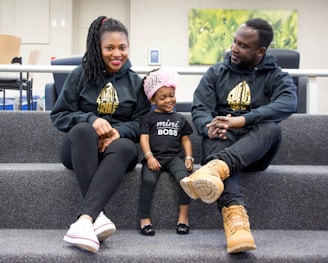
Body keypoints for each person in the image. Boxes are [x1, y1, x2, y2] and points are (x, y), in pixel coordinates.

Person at [180, 18, 298, 253]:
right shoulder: (216, 72)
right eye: (235, 42)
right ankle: (236, 221)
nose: (234, 48)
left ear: (260, 51)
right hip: (224, 140)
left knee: (272, 127)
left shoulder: (276, 76)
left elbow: (288, 102)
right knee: (214, 136)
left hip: (256, 150)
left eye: (243, 45)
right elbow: (201, 107)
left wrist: (243, 120)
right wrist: (208, 126)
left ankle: (216, 166)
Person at [50, 16, 150, 253]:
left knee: (127, 147)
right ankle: (95, 216)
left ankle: (87, 220)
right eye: (109, 48)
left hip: (115, 152)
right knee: (84, 130)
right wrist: (92, 120)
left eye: (122, 47)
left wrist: (118, 131)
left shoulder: (135, 82)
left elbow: (143, 122)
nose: (117, 53)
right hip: (80, 147)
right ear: (98, 48)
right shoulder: (79, 75)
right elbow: (59, 115)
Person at [139, 68, 194, 236]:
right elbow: (144, 138)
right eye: (162, 98)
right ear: (153, 99)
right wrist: (149, 157)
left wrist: (189, 157)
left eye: (171, 95)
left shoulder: (180, 119)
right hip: (154, 157)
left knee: (185, 181)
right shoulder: (148, 118)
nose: (169, 100)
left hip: (173, 158)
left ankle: (183, 219)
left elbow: (185, 139)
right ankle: (144, 219)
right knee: (148, 180)